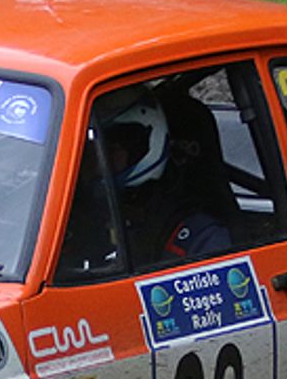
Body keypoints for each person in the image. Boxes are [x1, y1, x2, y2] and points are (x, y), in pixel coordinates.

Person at [97, 89, 232, 268]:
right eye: (95, 150)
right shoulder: (94, 216)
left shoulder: (202, 237)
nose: (99, 161)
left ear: (142, 147)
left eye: (111, 150)